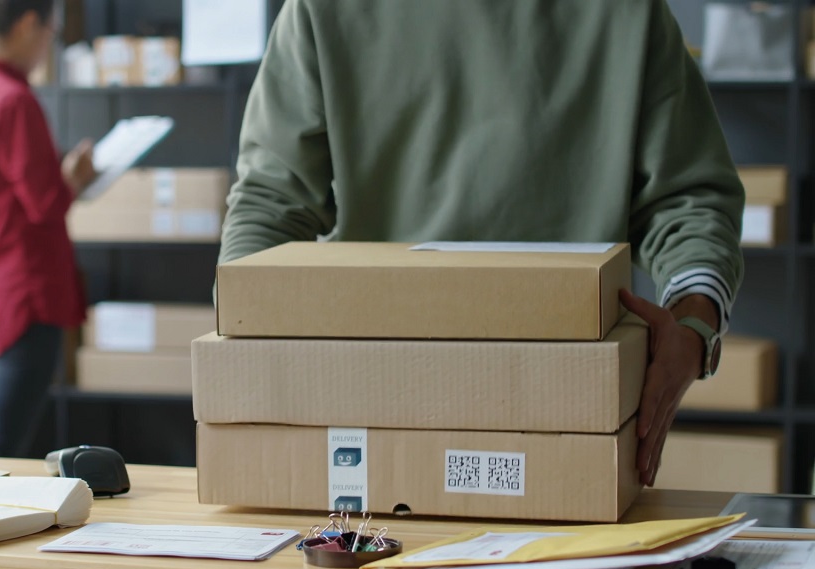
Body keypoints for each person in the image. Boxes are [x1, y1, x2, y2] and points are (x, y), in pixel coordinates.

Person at [218, 0, 744, 486]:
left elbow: (689, 198)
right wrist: (236, 349)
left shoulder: (627, 11)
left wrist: (694, 325)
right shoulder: (324, 8)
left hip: (569, 396)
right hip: (371, 393)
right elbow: (270, 203)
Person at [0, 0, 96, 457]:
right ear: (28, 24)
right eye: (52, 31)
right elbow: (45, 202)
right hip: (24, 291)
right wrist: (76, 178)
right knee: (1, 446)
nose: (50, 44)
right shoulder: (12, 99)